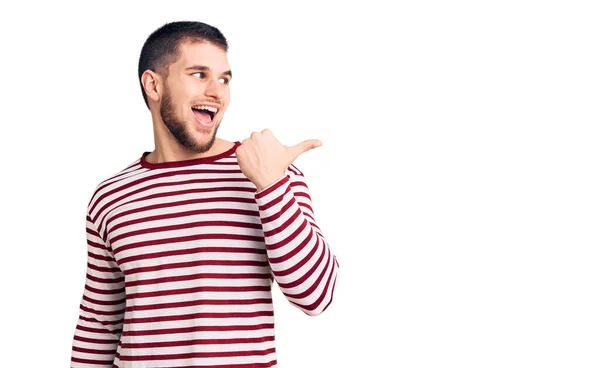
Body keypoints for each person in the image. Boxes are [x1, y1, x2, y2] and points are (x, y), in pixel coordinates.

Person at [70, 21, 340, 367]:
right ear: (153, 84)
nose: (217, 91)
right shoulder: (111, 196)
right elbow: (100, 324)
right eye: (199, 74)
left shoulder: (268, 171)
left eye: (224, 78)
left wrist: (271, 186)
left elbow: (315, 296)